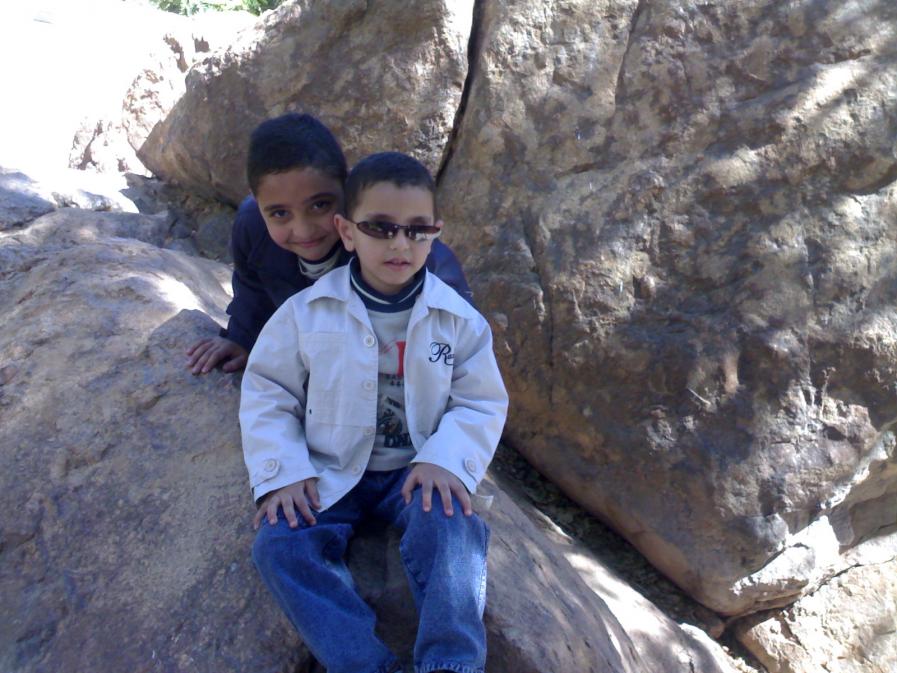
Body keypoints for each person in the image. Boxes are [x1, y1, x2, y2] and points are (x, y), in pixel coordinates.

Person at [240, 151, 508, 673]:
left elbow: (479, 400)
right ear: (346, 232)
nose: (400, 244)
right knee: (279, 548)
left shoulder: (460, 321)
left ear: (435, 233)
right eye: (380, 228)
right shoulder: (306, 312)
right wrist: (283, 472)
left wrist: (447, 461)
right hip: (330, 468)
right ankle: (365, 664)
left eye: (417, 230)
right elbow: (269, 392)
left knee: (454, 532)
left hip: (415, 471)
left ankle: (451, 663)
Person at [185, 113, 472, 375]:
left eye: (320, 205)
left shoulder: (392, 246)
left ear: (346, 188)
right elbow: (253, 288)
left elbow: (458, 337)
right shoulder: (253, 228)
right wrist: (243, 337)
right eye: (280, 213)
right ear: (259, 204)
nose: (303, 230)